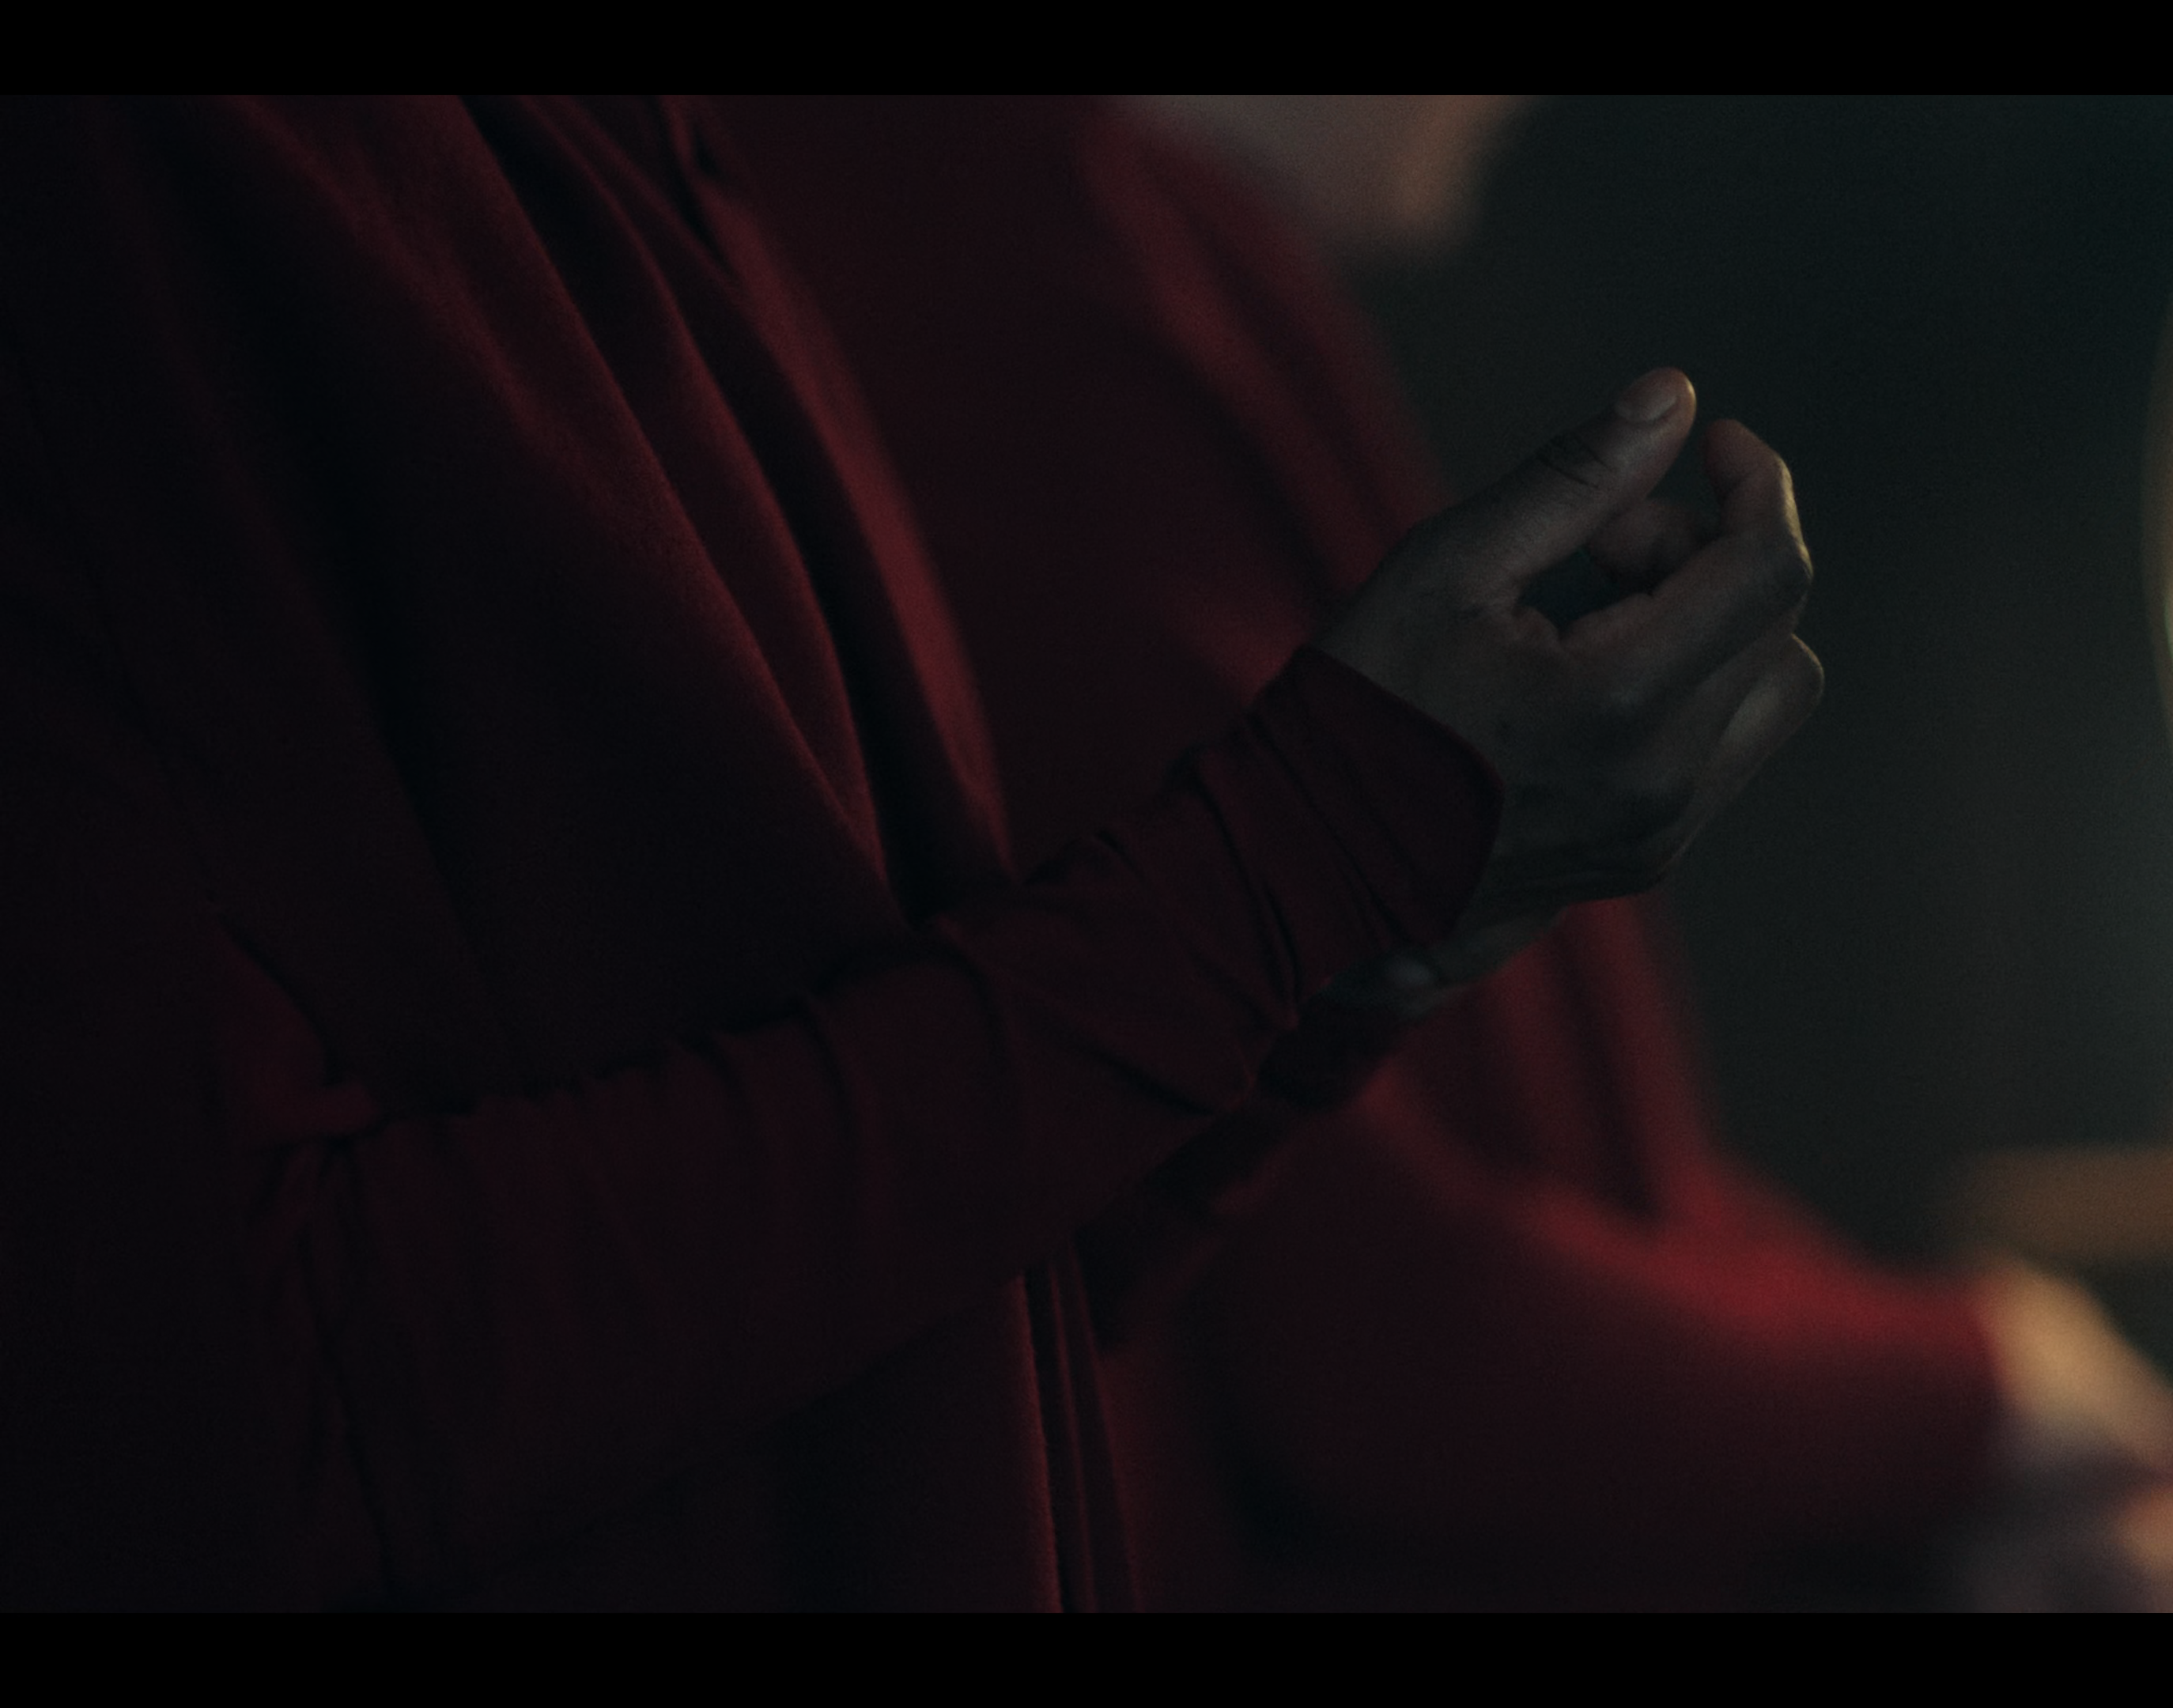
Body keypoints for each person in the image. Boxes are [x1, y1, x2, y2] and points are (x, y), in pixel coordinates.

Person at [0, 96, 1819, 1607]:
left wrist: (1339, 961)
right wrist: (1296, 875)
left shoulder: (660, 159)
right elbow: (224, 1423)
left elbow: (941, 1286)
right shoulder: (133, 180)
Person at [723, 94, 2173, 1609]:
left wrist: (1958, 1446)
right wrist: (1976, 1392)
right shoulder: (1004, 265)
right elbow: (1343, 1323)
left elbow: (1521, 1171)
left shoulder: (1162, 259)